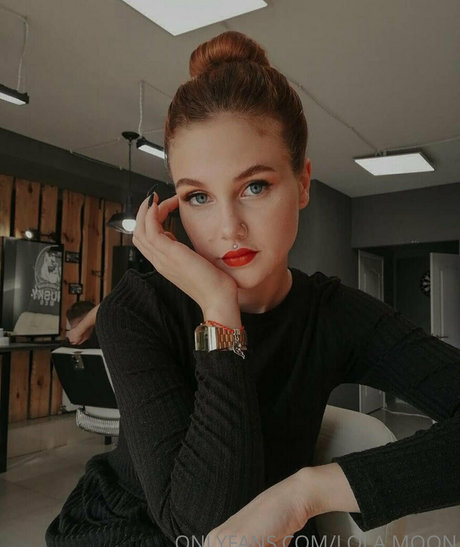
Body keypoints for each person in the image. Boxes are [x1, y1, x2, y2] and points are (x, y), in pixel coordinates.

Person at [46, 31, 460, 547]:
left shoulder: (330, 314)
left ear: (303, 183)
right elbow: (199, 528)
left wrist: (309, 492)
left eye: (254, 187)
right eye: (198, 197)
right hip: (122, 530)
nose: (228, 229)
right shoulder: (138, 310)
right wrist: (219, 310)